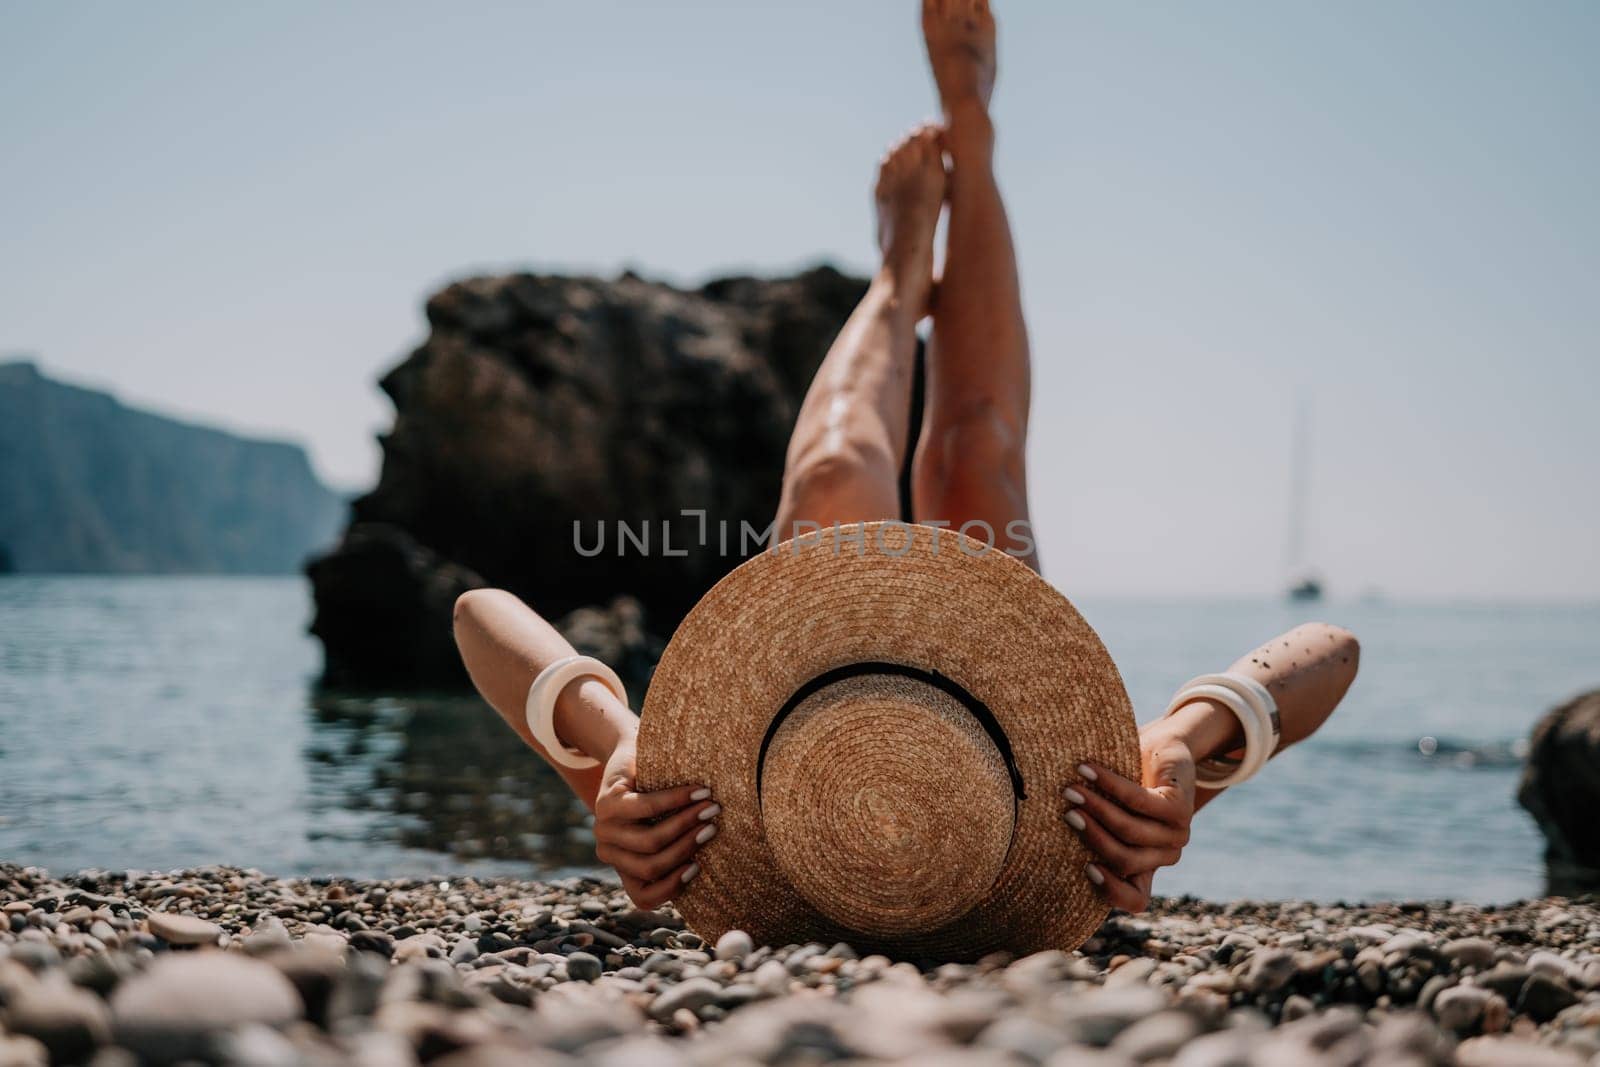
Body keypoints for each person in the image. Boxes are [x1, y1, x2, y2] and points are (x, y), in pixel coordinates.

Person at [453, 0, 1359, 915]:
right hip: (993, 728)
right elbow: (1332, 652)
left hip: (813, 676)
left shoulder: (690, 833)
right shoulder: (1088, 830)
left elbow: (476, 616)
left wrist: (614, 746)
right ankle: (976, 132)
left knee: (835, 473)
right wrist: (1181, 737)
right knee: (978, 461)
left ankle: (899, 273)